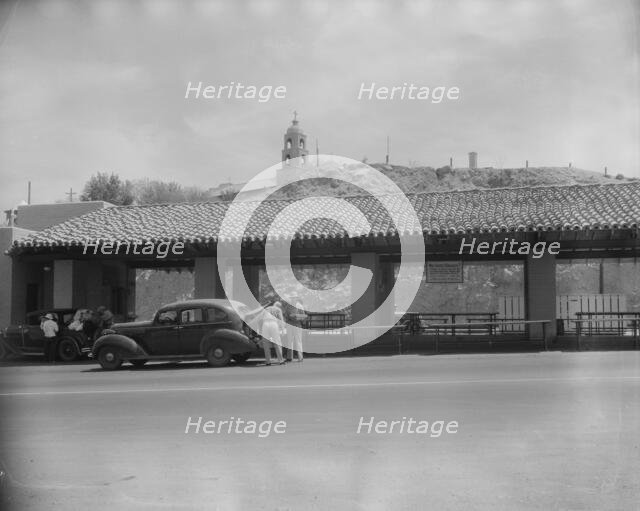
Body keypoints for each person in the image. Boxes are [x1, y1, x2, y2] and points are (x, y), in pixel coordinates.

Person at [260, 301, 285, 366]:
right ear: (279, 306)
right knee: (277, 342)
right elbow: (281, 320)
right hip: (273, 324)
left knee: (266, 343)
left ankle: (268, 361)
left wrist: (260, 330)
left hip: (265, 324)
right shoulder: (278, 309)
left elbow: (261, 319)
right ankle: (281, 360)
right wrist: (282, 330)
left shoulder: (267, 308)